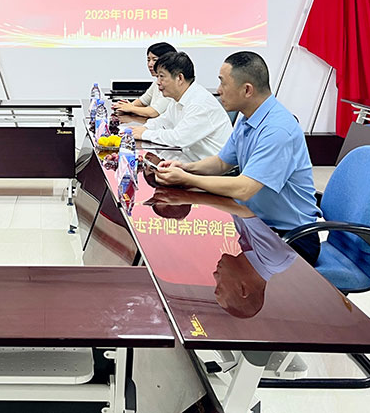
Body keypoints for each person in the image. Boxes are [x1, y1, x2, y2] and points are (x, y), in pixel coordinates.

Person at [154, 51, 321, 264]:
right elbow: (221, 162)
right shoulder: (247, 117)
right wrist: (185, 168)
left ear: (247, 90)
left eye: (223, 83)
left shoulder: (278, 130)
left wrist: (188, 179)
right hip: (255, 224)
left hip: (290, 238)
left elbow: (245, 188)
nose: (219, 90)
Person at [131, 52, 233, 163]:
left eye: (161, 76)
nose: (158, 82)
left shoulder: (199, 103)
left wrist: (144, 134)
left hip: (213, 169)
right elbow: (163, 121)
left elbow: (178, 139)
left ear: (179, 78)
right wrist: (143, 129)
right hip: (190, 160)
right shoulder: (179, 98)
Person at [213, 215, 297, 318]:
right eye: (219, 287)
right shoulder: (274, 258)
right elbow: (244, 208)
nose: (215, 275)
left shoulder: (244, 237)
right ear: (242, 289)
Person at [112, 42, 176, 118]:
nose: (150, 64)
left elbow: (153, 112)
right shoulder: (157, 82)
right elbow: (142, 101)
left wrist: (130, 108)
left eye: (154, 60)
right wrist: (127, 106)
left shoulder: (172, 85)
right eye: (148, 60)